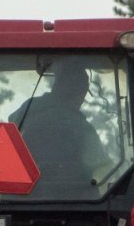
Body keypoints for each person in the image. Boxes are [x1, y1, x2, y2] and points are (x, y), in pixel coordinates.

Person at [10, 58, 106, 191]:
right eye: (84, 90)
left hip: (17, 198)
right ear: (80, 92)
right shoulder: (80, 127)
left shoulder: (26, 111)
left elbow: (8, 139)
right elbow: (102, 167)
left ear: (57, 87)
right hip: (77, 203)